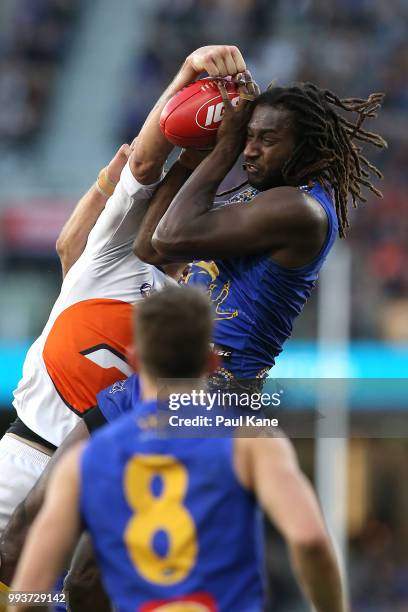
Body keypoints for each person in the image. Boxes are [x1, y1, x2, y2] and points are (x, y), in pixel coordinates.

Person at [0, 44, 248, 608]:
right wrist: (185, 75)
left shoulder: (197, 310)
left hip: (109, 492)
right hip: (26, 464)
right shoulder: (108, 258)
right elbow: (142, 164)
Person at [9, 286, 347, 612]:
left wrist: (52, 604)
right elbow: (309, 540)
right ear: (212, 362)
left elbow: (26, 597)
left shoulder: (85, 460)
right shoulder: (252, 444)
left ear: (136, 361)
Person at [135, 75, 386, 383]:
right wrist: (192, 155)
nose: (249, 151)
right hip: (175, 372)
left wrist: (224, 147)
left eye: (266, 140)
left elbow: (168, 238)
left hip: (219, 385)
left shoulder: (299, 209)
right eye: (248, 137)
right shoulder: (259, 199)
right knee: (71, 428)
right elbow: (149, 247)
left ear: (306, 149)